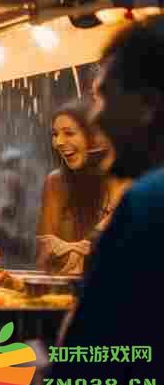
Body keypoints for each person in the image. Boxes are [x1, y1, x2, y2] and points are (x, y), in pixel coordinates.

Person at [43, 16, 164, 385]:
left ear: (147, 105)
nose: (95, 118)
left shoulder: (148, 204)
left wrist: (30, 369)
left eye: (104, 98)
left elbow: (81, 377)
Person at [36, 103, 131, 274]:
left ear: (96, 136)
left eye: (69, 133)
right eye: (55, 134)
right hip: (66, 290)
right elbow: (45, 257)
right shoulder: (56, 182)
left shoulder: (124, 180)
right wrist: (66, 252)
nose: (58, 142)